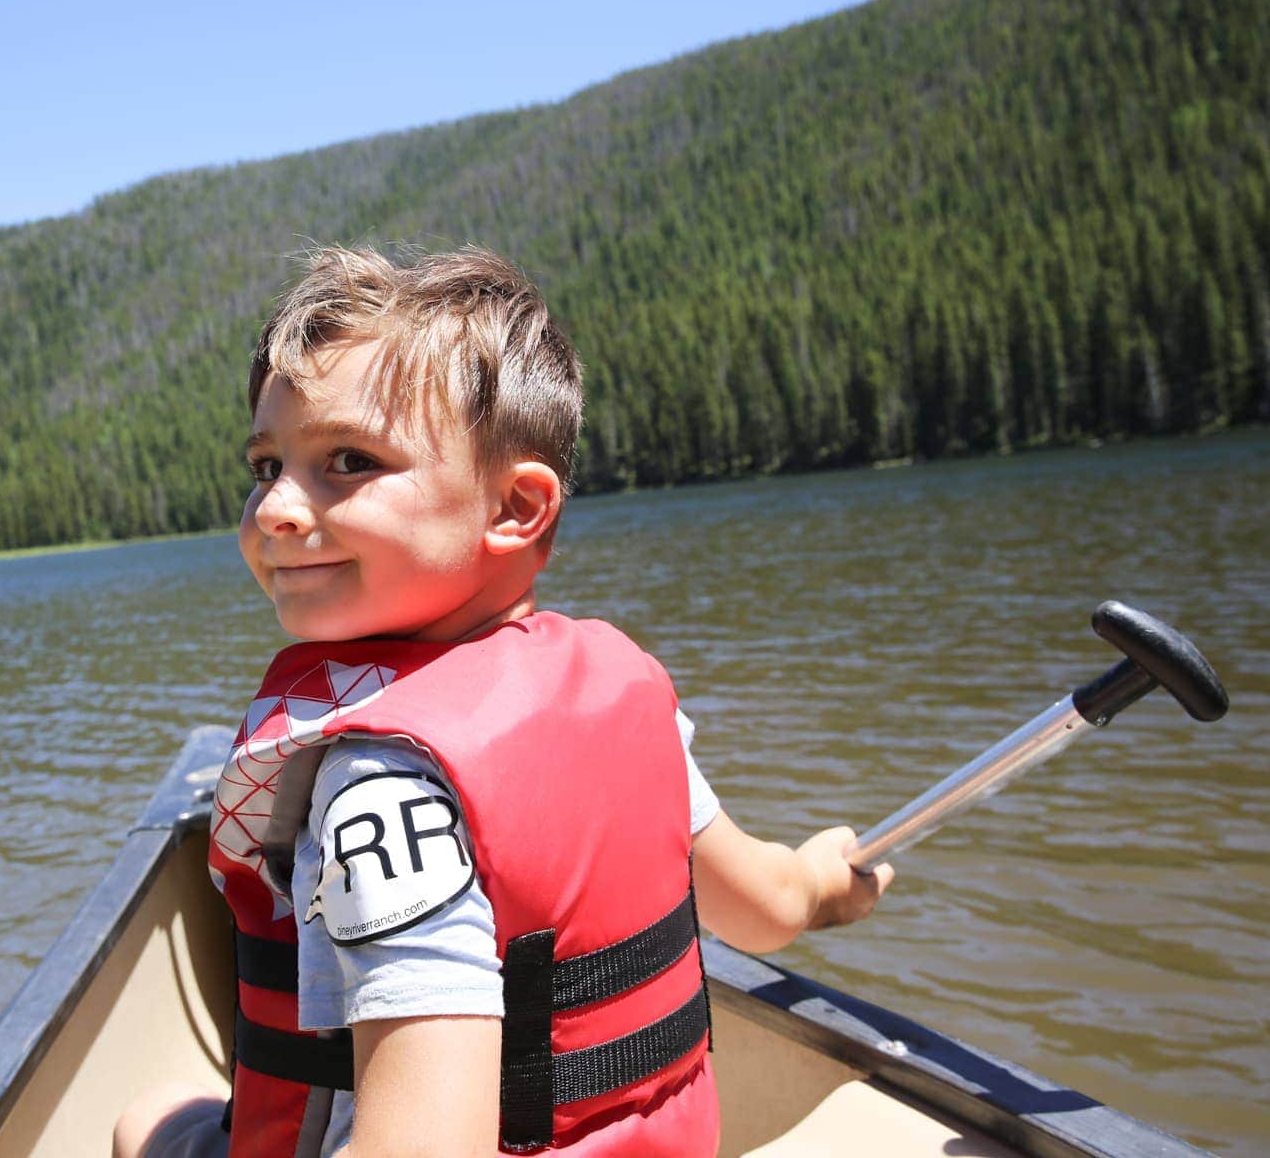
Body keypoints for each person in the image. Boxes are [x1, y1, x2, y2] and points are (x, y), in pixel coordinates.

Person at [114, 246, 894, 1158]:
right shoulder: (623, 697)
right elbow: (764, 905)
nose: (277, 508)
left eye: (349, 461)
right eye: (265, 466)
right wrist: (828, 886)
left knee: (147, 1122)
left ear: (516, 508)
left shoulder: (385, 787)